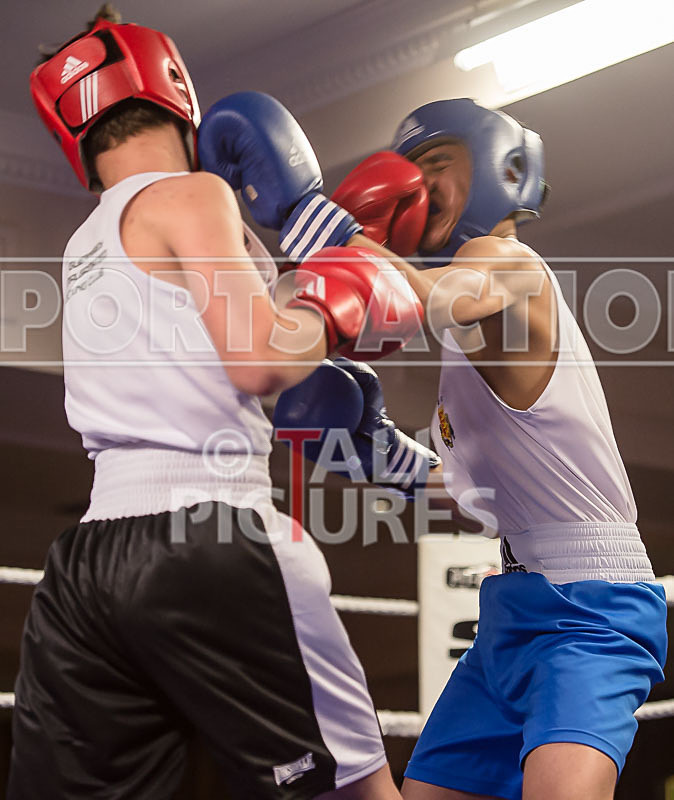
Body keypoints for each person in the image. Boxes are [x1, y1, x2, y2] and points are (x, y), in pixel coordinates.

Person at [9, 7, 438, 799]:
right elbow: (260, 360)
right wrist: (337, 299)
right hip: (211, 534)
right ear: (177, 91)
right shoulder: (196, 193)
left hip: (86, 570)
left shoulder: (83, 243)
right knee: (354, 793)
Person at [274, 99, 668, 800]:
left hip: (593, 604)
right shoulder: (467, 347)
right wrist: (384, 457)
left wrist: (321, 225)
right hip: (513, 608)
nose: (418, 187)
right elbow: (481, 499)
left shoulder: (507, 261)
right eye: (409, 170)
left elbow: (437, 300)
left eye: (438, 163)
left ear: (501, 172)